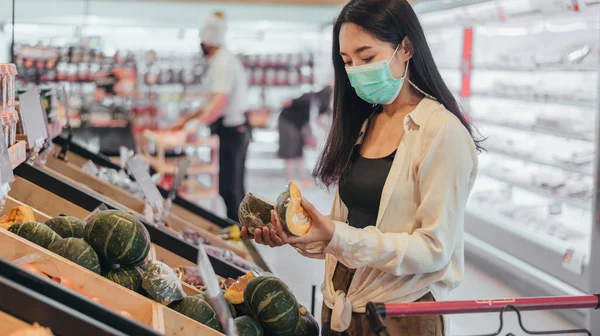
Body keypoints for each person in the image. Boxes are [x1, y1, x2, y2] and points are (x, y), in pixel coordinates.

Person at [242, 0, 483, 335]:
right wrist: (297, 235)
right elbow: (348, 228)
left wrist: (337, 235)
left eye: (366, 57)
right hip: (342, 306)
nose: (355, 70)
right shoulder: (366, 123)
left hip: (399, 316)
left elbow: (433, 249)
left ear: (407, 47)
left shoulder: (442, 133)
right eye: (347, 61)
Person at [171, 11, 250, 222]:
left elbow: (220, 101)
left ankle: (239, 232)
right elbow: (210, 101)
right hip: (229, 129)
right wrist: (185, 121)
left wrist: (196, 125)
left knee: (231, 187)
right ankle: (237, 227)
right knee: (229, 185)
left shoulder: (222, 62)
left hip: (234, 129)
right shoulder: (219, 61)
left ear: (208, 42)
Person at [277, 85, 333, 187]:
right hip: (287, 121)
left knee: (299, 150)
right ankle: (291, 180)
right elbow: (288, 102)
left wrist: (331, 128)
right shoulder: (308, 98)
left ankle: (302, 179)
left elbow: (318, 119)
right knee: (290, 151)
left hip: (298, 124)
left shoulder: (320, 105)